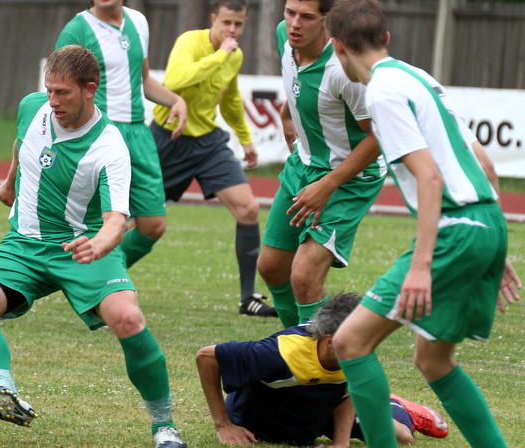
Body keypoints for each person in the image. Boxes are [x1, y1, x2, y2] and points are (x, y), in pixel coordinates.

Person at [0, 45, 186, 448]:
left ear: (89, 89)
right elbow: (21, 141)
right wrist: (10, 180)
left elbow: (117, 220)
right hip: (24, 243)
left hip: (83, 247)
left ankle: (164, 426)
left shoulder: (109, 146)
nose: (52, 101)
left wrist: (98, 246)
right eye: (49, 90)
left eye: (63, 93)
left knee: (128, 319)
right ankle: (1, 391)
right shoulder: (33, 106)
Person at [324, 1, 522, 446]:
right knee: (434, 361)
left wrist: (422, 265)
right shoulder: (419, 78)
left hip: (456, 227)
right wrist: (490, 244)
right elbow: (483, 162)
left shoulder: (381, 93)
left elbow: (430, 177)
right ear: (386, 39)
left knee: (351, 342)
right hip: (485, 221)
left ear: (337, 47)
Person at [255, 0, 386, 328]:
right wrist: (288, 112)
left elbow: (377, 138)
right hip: (302, 164)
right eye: (290, 12)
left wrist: (327, 185)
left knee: (303, 276)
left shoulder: (346, 70)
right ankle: (294, 344)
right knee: (271, 267)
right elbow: (297, 79)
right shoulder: (284, 35)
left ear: (329, 21)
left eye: (307, 17)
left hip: (349, 177)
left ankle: (319, 364)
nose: (294, 23)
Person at [151, 0, 275, 317]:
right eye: (227, 23)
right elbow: (174, 81)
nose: (233, 30)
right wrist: (220, 56)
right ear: (213, 20)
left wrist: (246, 139)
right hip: (168, 139)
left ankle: (248, 299)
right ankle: (100, 285)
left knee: (248, 208)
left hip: (208, 143)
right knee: (140, 222)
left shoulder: (235, 56)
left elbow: (231, 100)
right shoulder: (190, 42)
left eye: (239, 24)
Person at [195, 293, 449, 447]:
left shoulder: (354, 349)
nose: (368, 349)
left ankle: (397, 407)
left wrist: (341, 443)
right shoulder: (279, 353)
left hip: (321, 410)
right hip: (259, 418)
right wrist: (223, 425)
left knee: (403, 437)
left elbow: (349, 387)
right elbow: (207, 357)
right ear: (330, 341)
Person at [56, 0, 187, 268]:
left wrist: (175, 100)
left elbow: (144, 79)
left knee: (153, 224)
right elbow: (61, 90)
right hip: (101, 134)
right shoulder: (77, 29)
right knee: (102, 220)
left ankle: (98, 271)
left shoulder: (139, 21)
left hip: (139, 133)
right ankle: (101, 282)